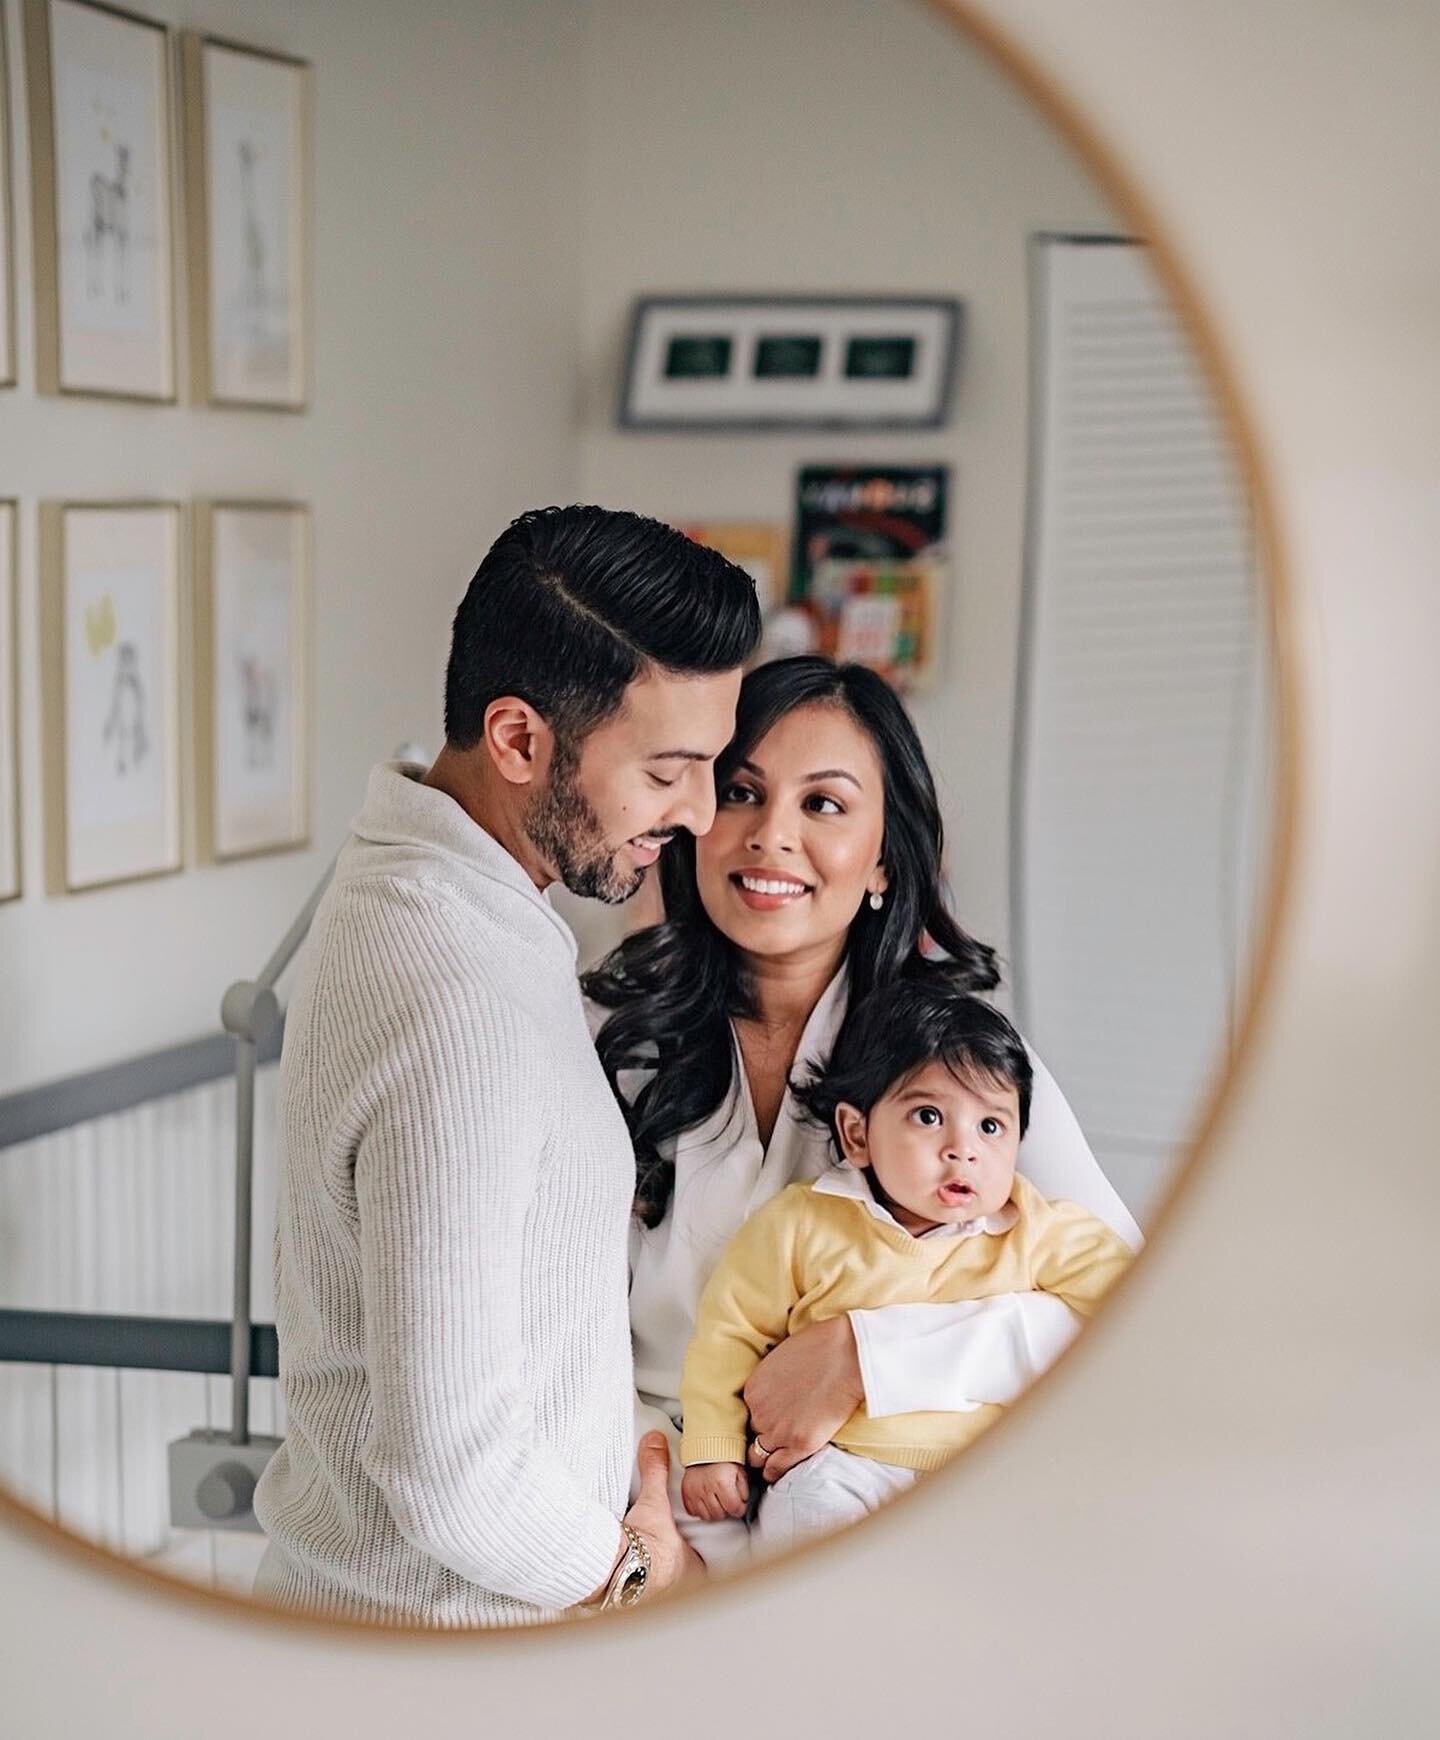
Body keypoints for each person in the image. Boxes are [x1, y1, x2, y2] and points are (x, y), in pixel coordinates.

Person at [253, 505, 761, 1626]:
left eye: (712, 765)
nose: (696, 814)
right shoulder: (456, 997)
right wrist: (637, 1584)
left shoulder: (440, 890)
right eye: (669, 770)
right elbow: (450, 1472)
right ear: (521, 740)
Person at [584, 655, 1140, 1572]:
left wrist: (864, 1355)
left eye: (825, 804)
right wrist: (645, 1549)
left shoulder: (966, 1072)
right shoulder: (605, 1039)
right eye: (742, 792)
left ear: (884, 855)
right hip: (632, 1524)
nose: (771, 835)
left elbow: (1126, 1323)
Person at [678, 979, 1134, 1554]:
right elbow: (728, 1334)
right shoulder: (803, 1223)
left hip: (987, 1466)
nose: (962, 1148)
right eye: (927, 1116)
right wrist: (713, 1447)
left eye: (990, 1126)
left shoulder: (1039, 1229)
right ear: (857, 1133)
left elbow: (1143, 1310)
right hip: (847, 1465)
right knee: (810, 1514)